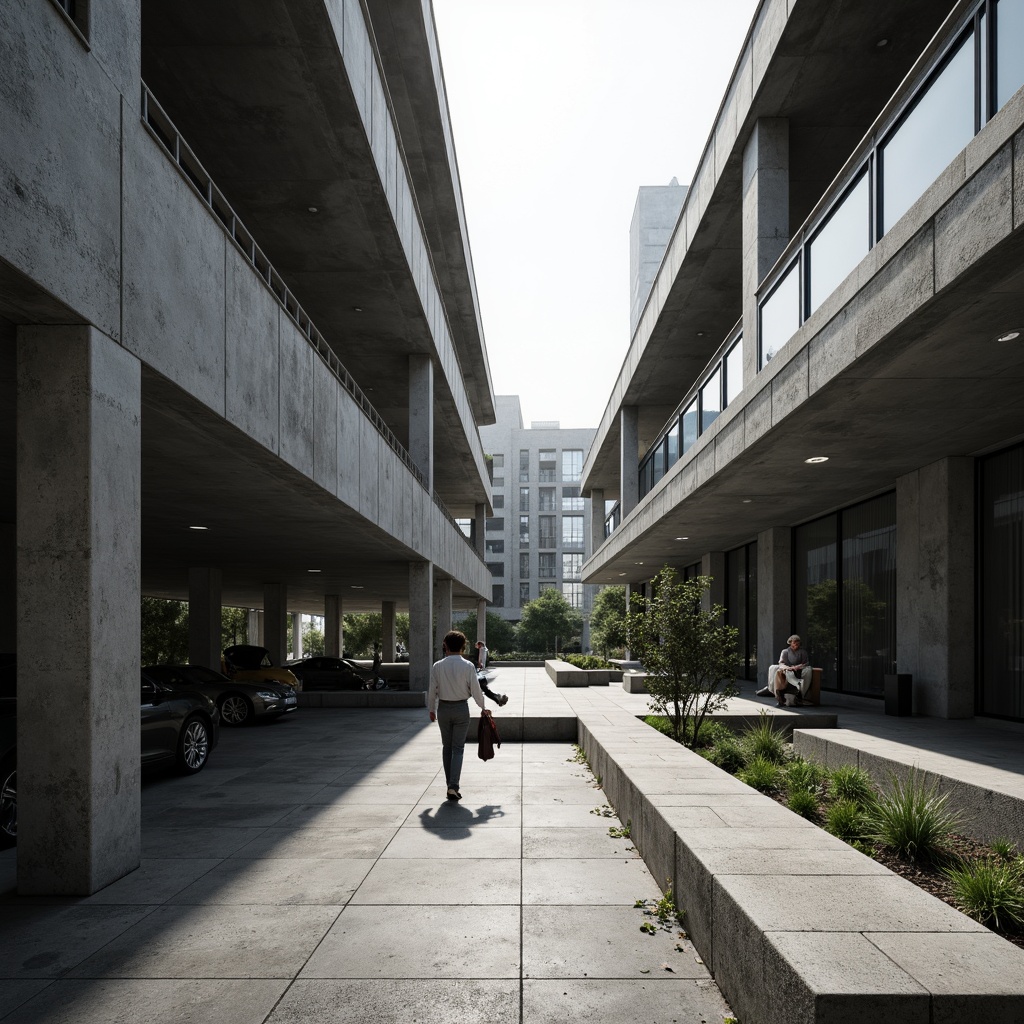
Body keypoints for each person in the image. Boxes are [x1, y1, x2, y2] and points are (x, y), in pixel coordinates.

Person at [428, 630, 490, 800]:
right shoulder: (468, 666)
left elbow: (432, 690)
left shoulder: (437, 666)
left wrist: (431, 709)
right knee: (458, 749)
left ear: (445, 646)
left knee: (446, 748)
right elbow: (476, 691)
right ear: (463, 646)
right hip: (462, 709)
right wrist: (483, 707)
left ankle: (450, 785)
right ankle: (453, 786)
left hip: (443, 709)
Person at [773, 634, 812, 706]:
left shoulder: (803, 652)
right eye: (794, 643)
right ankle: (798, 683)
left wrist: (799, 666)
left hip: (800, 669)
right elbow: (781, 663)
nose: (796, 645)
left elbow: (806, 662)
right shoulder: (785, 652)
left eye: (798, 643)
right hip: (788, 669)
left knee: (808, 670)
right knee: (788, 673)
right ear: (790, 643)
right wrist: (789, 668)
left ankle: (801, 692)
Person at [474, 639, 509, 707]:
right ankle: (497, 698)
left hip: (478, 675)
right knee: (483, 686)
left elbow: (481, 658)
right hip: (477, 677)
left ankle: (497, 698)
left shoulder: (482, 650)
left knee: (483, 686)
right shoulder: (483, 649)